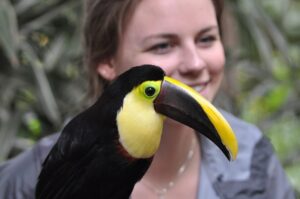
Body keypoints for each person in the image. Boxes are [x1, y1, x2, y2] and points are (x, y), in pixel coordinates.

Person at [0, 0, 295, 198]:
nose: (195, 63)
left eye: (206, 39)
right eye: (163, 45)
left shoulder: (254, 162)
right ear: (107, 60)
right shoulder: (29, 177)